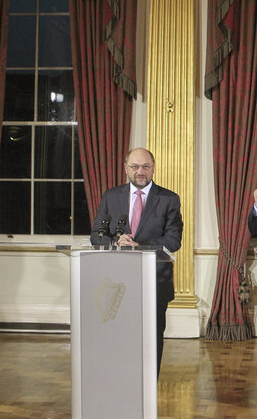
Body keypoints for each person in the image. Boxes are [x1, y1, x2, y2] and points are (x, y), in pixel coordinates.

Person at [90, 147, 183, 375]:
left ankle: (149, 385)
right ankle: (120, 381)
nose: (140, 171)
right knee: (118, 337)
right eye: (135, 166)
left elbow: (173, 240)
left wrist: (139, 248)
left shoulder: (169, 199)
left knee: (151, 338)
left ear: (153, 168)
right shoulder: (111, 197)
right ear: (126, 169)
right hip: (116, 283)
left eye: (145, 166)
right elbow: (95, 235)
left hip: (154, 281)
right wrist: (116, 241)